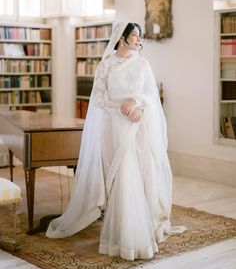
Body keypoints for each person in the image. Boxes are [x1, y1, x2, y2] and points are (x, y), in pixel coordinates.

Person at [46, 22, 186, 260]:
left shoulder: (143, 65)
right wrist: (123, 109)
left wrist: (135, 103)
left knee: (138, 175)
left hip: (138, 127)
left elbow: (150, 96)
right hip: (113, 127)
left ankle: (137, 232)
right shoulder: (106, 66)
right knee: (121, 177)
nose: (138, 39)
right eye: (134, 34)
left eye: (139, 35)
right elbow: (99, 99)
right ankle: (121, 232)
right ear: (121, 38)